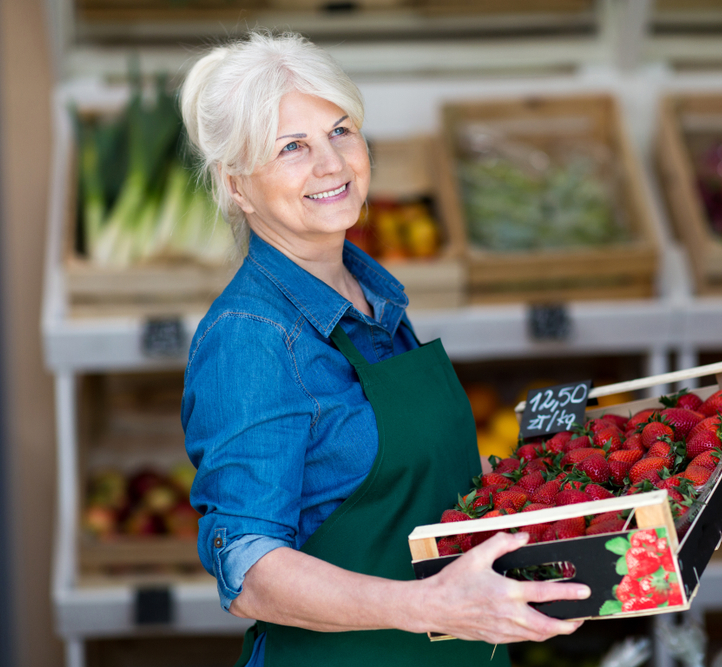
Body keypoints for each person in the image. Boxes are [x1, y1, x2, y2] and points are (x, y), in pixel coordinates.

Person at [179, 30, 589, 667]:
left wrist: (558, 506)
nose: (331, 164)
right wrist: (432, 606)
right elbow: (250, 571)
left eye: (341, 132)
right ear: (236, 186)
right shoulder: (251, 338)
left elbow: (411, 488)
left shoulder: (369, 297)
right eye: (292, 148)